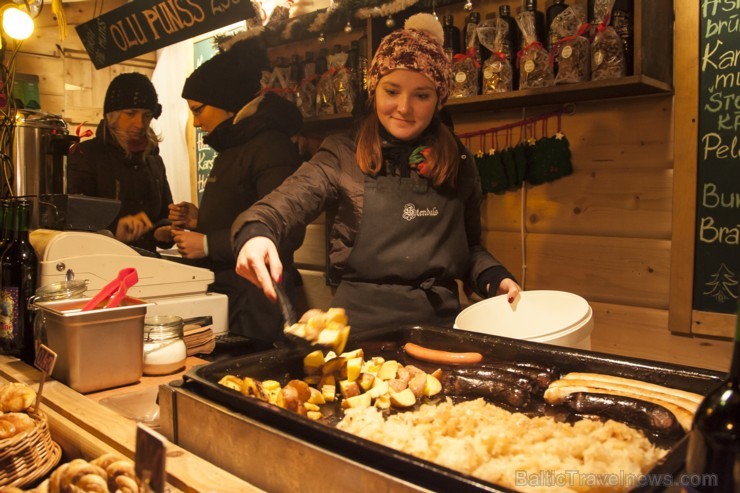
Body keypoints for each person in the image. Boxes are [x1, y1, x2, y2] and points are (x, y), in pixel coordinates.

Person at [232, 13, 521, 331]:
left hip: (438, 331)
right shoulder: (341, 154)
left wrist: (495, 278)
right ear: (374, 91)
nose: (404, 107)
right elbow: (283, 204)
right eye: (392, 91)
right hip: (357, 332)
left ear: (439, 100)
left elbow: (470, 248)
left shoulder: (459, 160)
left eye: (421, 95)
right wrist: (255, 233)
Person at [173, 35, 305, 342]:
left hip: (259, 302)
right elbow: (240, 209)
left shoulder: (270, 146)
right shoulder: (234, 145)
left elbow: (287, 232)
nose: (195, 122)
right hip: (231, 295)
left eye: (198, 110)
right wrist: (200, 221)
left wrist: (206, 244)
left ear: (225, 100)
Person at [67, 72, 174, 253]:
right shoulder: (87, 155)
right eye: (130, 114)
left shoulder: (154, 160)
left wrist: (162, 231)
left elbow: (164, 214)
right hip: (101, 264)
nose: (140, 123)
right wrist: (114, 230)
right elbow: (74, 219)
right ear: (112, 115)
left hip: (147, 265)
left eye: (147, 115)